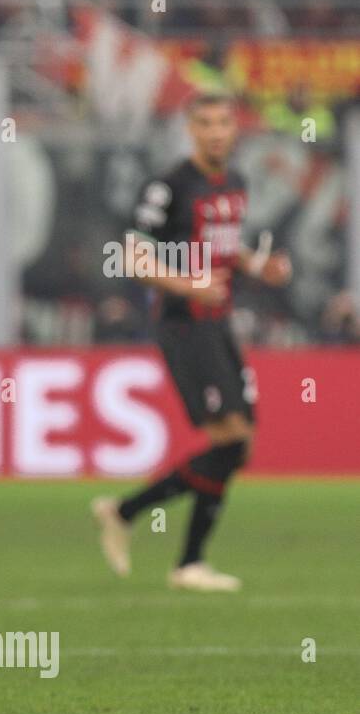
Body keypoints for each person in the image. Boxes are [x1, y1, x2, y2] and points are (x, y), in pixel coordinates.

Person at [93, 92, 290, 592]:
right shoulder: (169, 187)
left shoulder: (237, 183)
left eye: (224, 122)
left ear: (235, 127)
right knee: (230, 442)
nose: (216, 132)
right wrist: (189, 285)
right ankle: (169, 547)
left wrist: (256, 264)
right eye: (205, 123)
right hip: (184, 324)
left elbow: (223, 248)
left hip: (219, 323)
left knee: (238, 446)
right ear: (190, 128)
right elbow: (132, 258)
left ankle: (138, 521)